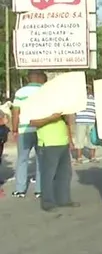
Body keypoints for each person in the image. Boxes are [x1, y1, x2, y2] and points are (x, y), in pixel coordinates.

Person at [28, 111, 77, 212]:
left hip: (63, 143)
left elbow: (66, 123)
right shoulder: (41, 106)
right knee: (48, 175)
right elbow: (33, 122)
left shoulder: (60, 106)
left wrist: (70, 140)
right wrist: (50, 118)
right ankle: (48, 203)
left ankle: (64, 200)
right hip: (48, 144)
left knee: (65, 174)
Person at [10, 70, 47, 198]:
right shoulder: (45, 91)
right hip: (41, 129)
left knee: (22, 159)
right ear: (40, 77)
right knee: (41, 159)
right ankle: (40, 190)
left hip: (24, 129)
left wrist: (14, 130)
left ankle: (20, 189)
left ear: (29, 78)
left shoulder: (21, 92)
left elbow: (15, 112)